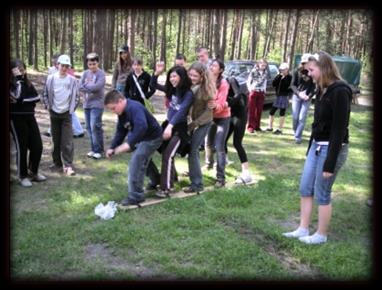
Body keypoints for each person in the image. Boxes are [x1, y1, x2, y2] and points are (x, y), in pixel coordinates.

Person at [282, 51, 352, 244]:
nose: (309, 74)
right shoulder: (321, 88)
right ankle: (303, 229)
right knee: (305, 187)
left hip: (332, 150)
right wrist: (310, 148)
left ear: (324, 67)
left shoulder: (340, 90)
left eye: (312, 70)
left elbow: (339, 129)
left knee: (322, 192)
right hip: (316, 147)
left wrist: (330, 163)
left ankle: (321, 235)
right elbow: (317, 123)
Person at [105, 90, 163, 206]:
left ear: (120, 101)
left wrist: (129, 144)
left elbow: (142, 127)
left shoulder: (134, 108)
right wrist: (113, 147)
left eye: (113, 108)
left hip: (153, 138)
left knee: (136, 161)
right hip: (143, 138)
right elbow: (121, 131)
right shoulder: (122, 113)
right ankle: (156, 180)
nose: (113, 111)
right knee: (143, 159)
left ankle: (136, 196)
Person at [155, 65, 194, 197]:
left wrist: (170, 127)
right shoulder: (172, 90)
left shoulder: (188, 94)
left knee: (168, 155)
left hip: (179, 129)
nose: (172, 79)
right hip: (169, 125)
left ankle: (165, 189)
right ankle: (170, 182)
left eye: (174, 76)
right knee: (165, 154)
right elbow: (153, 84)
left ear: (181, 77)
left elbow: (181, 112)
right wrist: (157, 73)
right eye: (170, 76)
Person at [10, 59, 46, 187]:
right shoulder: (13, 84)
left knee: (37, 146)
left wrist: (21, 101)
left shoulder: (27, 83)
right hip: (15, 119)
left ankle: (33, 172)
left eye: (22, 69)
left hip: (30, 117)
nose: (21, 72)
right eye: (17, 70)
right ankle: (22, 176)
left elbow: (36, 98)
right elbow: (18, 96)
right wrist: (18, 81)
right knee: (22, 147)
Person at [42, 55, 80, 176]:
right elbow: (45, 94)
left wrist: (71, 109)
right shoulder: (50, 79)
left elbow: (77, 97)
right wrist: (48, 107)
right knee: (55, 140)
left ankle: (68, 165)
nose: (64, 68)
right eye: (62, 65)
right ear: (57, 65)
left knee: (67, 141)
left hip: (66, 115)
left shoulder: (72, 80)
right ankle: (57, 163)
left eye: (66, 66)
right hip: (54, 114)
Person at [181, 62, 215, 193]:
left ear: (202, 76)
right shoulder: (191, 85)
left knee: (193, 150)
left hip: (204, 122)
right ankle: (195, 178)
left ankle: (197, 184)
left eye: (195, 76)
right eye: (190, 75)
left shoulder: (206, 88)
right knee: (191, 151)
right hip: (193, 122)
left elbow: (208, 112)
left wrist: (194, 124)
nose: (192, 77)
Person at [44, 53, 85, 138]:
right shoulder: (52, 71)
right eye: (54, 63)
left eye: (55, 62)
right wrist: (48, 105)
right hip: (56, 104)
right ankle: (51, 130)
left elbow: (74, 88)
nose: (54, 64)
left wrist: (72, 105)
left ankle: (78, 131)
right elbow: (47, 91)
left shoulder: (69, 72)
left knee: (72, 116)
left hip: (67, 102)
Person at [205, 59, 231, 188]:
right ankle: (209, 164)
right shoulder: (207, 81)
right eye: (211, 65)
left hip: (222, 118)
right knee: (208, 144)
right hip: (210, 117)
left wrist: (214, 106)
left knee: (219, 146)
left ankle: (221, 178)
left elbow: (221, 104)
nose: (211, 67)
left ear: (220, 70)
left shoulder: (224, 83)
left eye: (214, 65)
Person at [224, 76, 253, 184]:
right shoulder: (217, 83)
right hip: (229, 115)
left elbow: (238, 95)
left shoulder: (230, 80)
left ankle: (246, 173)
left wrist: (226, 103)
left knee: (237, 143)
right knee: (222, 140)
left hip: (240, 115)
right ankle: (225, 161)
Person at [79, 52, 105, 160]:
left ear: (98, 63)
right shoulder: (85, 73)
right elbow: (79, 86)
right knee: (89, 127)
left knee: (95, 126)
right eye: (90, 64)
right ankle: (94, 149)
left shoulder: (101, 74)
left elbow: (97, 87)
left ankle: (99, 150)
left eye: (94, 64)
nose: (92, 66)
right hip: (87, 104)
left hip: (97, 104)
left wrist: (86, 86)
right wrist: (88, 86)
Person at [291, 53, 316, 144]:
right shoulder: (296, 71)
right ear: (303, 63)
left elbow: (314, 87)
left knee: (302, 118)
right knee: (295, 117)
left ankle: (298, 136)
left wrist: (308, 96)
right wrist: (298, 93)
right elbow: (292, 85)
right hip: (297, 97)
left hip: (307, 98)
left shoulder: (312, 72)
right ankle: (295, 130)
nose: (308, 65)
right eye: (306, 63)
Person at [266, 62, 292, 135]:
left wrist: (289, 97)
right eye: (281, 69)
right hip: (278, 96)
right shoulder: (279, 76)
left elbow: (289, 87)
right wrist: (278, 76)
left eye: (283, 70)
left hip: (284, 96)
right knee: (272, 111)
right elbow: (274, 84)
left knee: (282, 112)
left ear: (287, 69)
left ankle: (280, 129)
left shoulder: (290, 77)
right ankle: (270, 127)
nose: (282, 71)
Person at [246, 58, 268, 133]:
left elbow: (265, 81)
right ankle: (250, 127)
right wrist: (250, 90)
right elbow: (248, 81)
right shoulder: (254, 71)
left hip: (261, 92)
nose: (263, 66)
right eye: (262, 65)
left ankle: (257, 126)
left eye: (265, 65)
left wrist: (264, 91)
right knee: (252, 110)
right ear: (259, 64)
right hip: (254, 91)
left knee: (259, 110)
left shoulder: (265, 72)